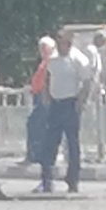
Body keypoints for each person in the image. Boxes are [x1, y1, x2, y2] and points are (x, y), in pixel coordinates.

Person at [39, 30, 94, 194]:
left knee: (72, 144)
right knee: (50, 143)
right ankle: (46, 180)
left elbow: (87, 81)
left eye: (69, 43)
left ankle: (73, 180)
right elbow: (47, 77)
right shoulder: (53, 58)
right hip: (56, 104)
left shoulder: (78, 59)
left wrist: (81, 101)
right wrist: (46, 95)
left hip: (71, 103)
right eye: (63, 42)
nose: (66, 46)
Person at [26, 35, 55, 176]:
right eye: (40, 48)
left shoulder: (51, 61)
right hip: (38, 95)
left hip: (44, 97)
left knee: (39, 125)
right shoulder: (43, 61)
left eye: (44, 47)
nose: (41, 50)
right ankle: (35, 153)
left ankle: (38, 154)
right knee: (34, 124)